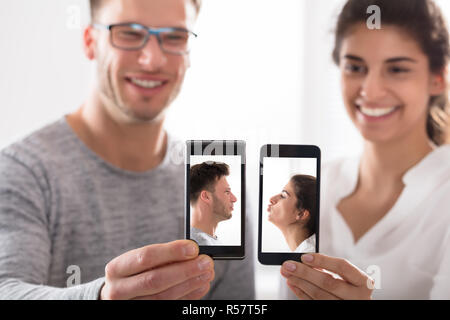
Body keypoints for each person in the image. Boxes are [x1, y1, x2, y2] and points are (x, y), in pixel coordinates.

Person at [0, 0, 254, 300]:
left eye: (175, 36)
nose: (152, 59)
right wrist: (100, 296)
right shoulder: (23, 171)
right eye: (130, 34)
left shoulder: (215, 182)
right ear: (90, 42)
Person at [279, 0, 450, 300]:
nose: (370, 91)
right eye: (355, 67)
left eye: (397, 69)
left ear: (438, 78)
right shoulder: (318, 184)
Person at [190, 162, 237, 245]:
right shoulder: (202, 242)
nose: (234, 199)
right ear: (206, 196)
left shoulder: (210, 241)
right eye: (227, 192)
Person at [267, 175, 316, 253]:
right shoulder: (304, 252)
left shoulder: (309, 257)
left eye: (283, 196)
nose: (272, 199)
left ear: (301, 214)